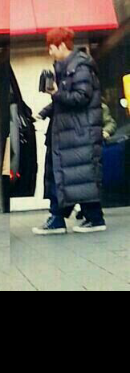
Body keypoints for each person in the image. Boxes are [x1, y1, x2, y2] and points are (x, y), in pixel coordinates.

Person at [33, 28, 107, 236]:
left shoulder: (80, 67)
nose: (50, 52)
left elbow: (81, 97)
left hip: (79, 132)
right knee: (68, 176)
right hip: (67, 132)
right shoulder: (65, 66)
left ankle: (86, 218)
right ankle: (74, 218)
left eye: (51, 47)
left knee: (77, 176)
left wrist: (56, 93)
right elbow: (64, 100)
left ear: (61, 45)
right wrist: (44, 112)